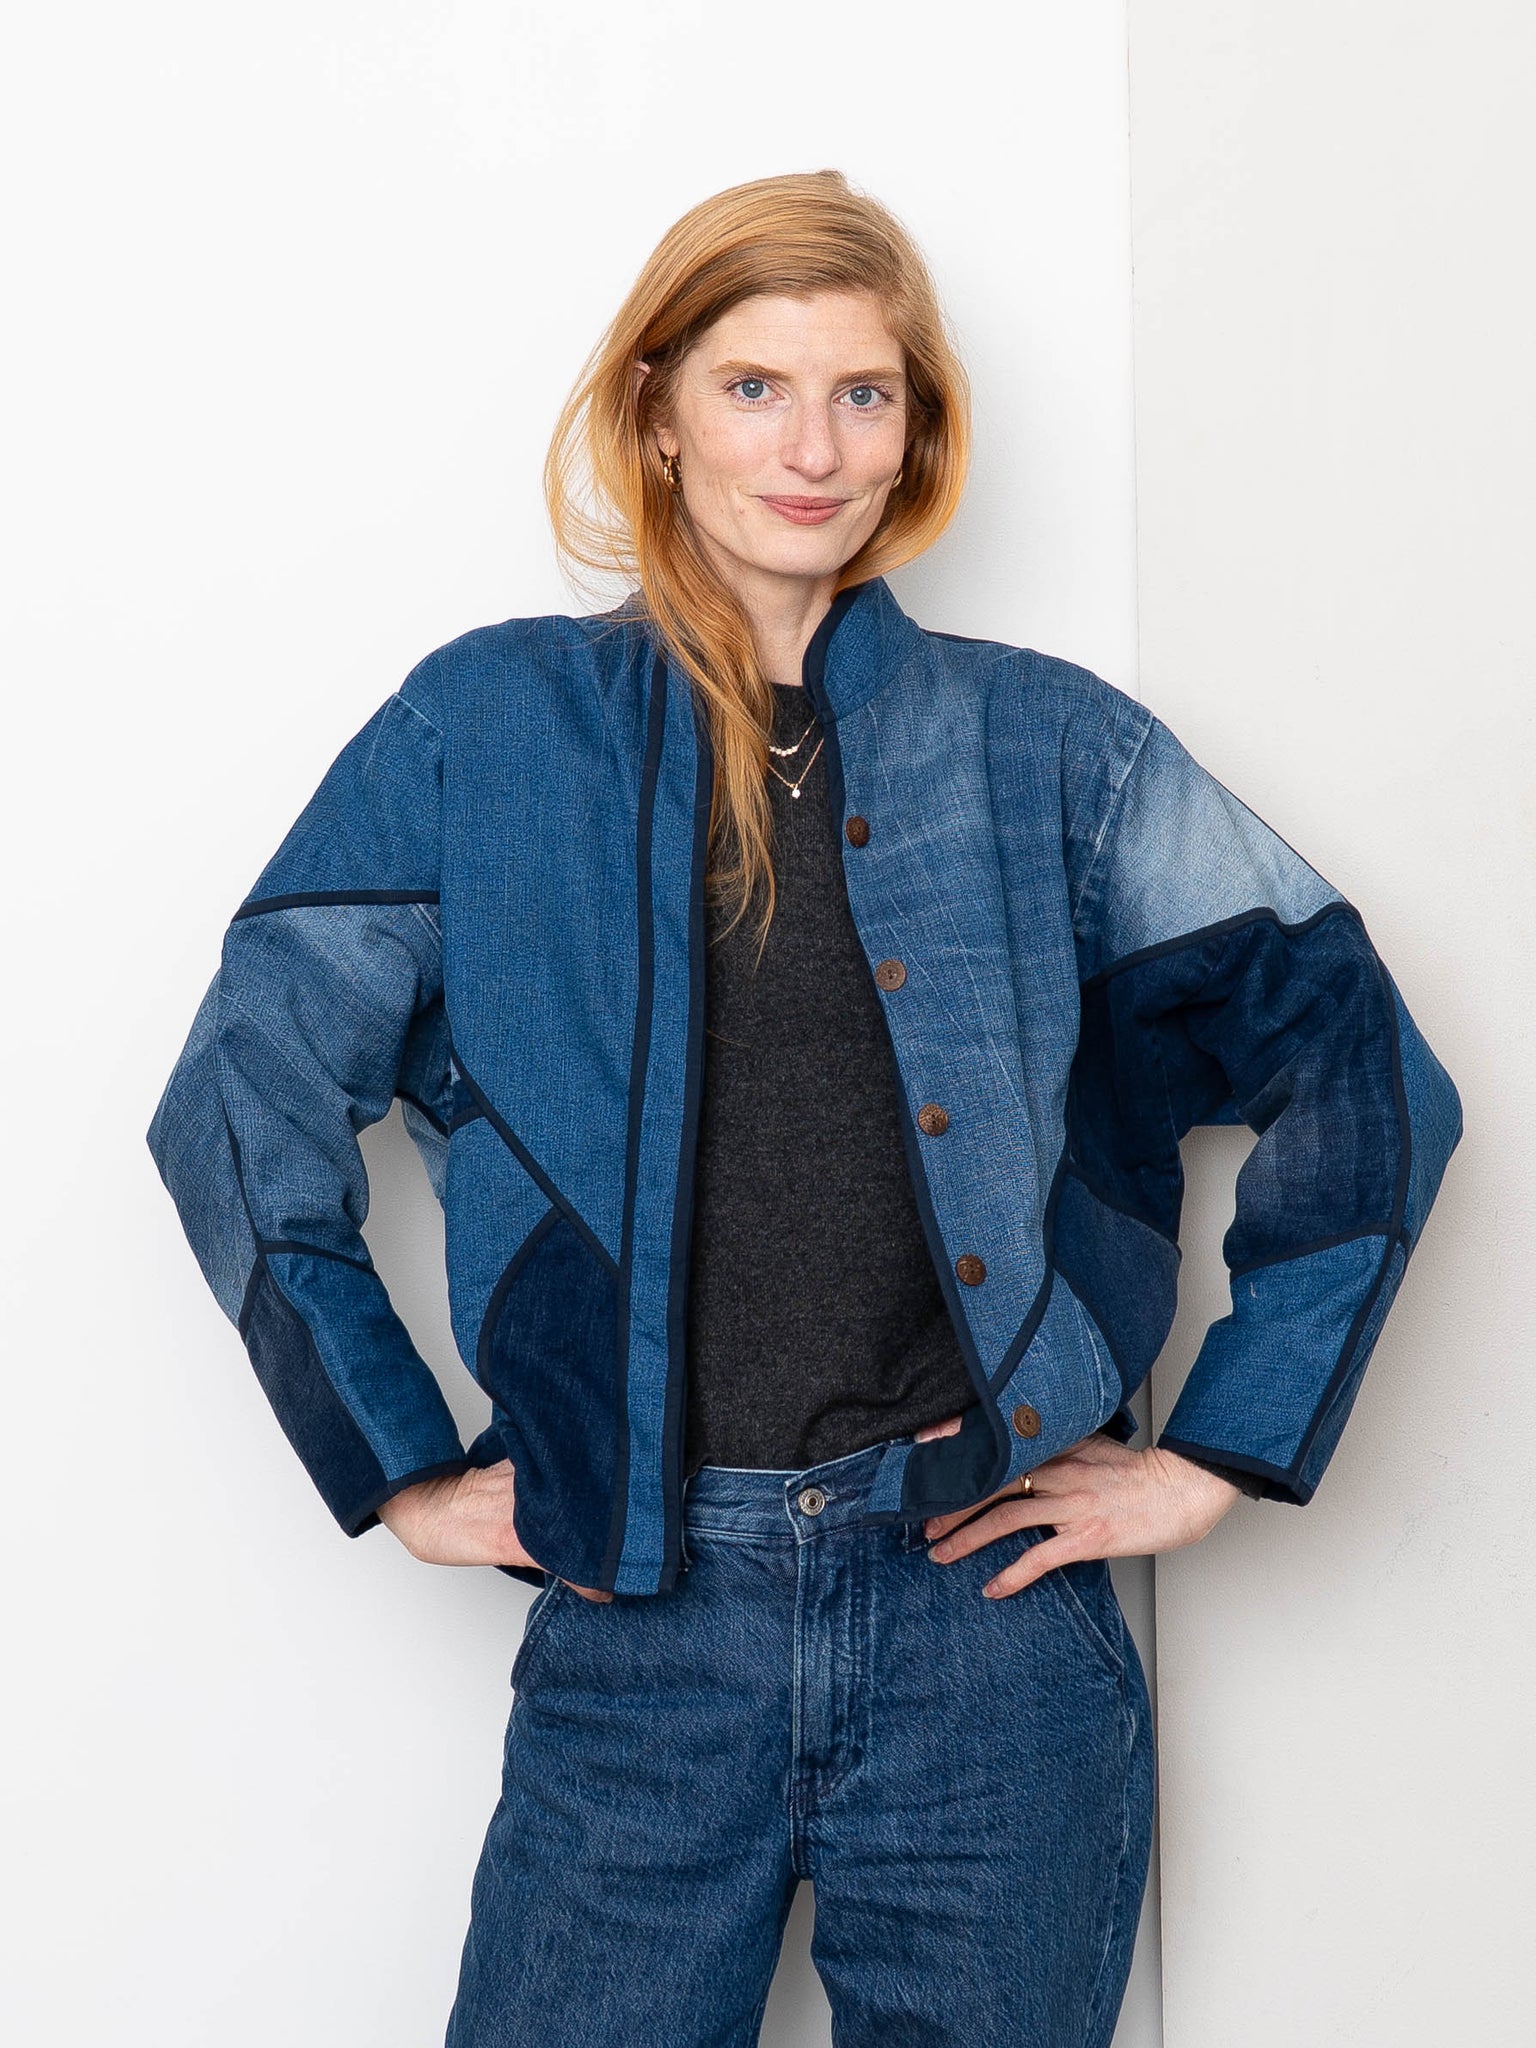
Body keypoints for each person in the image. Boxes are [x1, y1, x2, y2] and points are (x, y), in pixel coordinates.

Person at [148, 169, 1462, 2048]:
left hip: (991, 1627)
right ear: (659, 410)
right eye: (756, 386)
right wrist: (402, 1470)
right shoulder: (485, 728)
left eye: (866, 393)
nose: (815, 448)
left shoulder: (1050, 745)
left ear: (918, 428)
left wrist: (1219, 1455)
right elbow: (244, 1083)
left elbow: (1353, 1056)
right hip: (639, 1621)